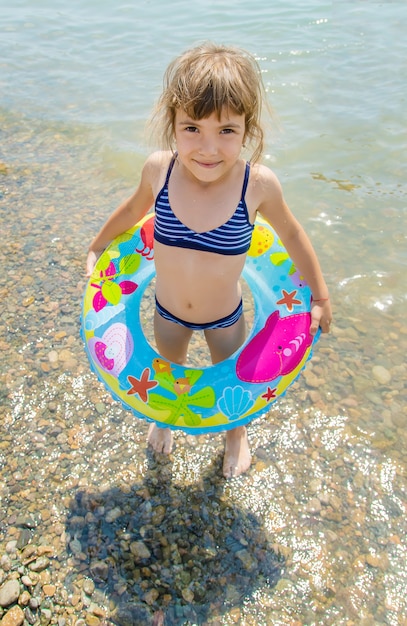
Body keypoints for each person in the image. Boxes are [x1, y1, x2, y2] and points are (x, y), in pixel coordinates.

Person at [86, 42, 332, 479]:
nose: (208, 147)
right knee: (168, 369)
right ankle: (163, 417)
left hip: (226, 316)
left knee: (233, 379)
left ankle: (235, 434)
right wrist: (96, 246)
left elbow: (292, 233)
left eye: (226, 131)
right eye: (192, 128)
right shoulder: (159, 171)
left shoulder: (256, 185)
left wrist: (321, 297)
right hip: (168, 311)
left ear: (247, 129)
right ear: (173, 124)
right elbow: (129, 211)